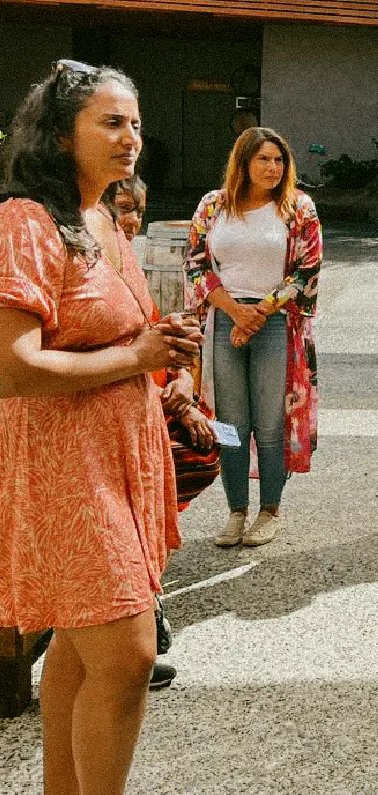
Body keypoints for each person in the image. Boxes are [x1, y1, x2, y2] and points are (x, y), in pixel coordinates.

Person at [0, 59, 202, 795]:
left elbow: (125, 334)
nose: (131, 138)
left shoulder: (103, 220)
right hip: (65, 464)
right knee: (127, 656)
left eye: (136, 124)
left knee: (82, 649)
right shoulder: (24, 221)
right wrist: (136, 356)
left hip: (120, 453)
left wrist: (166, 361)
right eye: (111, 123)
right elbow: (12, 366)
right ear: (61, 135)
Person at [185, 127, 322, 549]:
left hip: (275, 321)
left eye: (279, 160)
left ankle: (269, 511)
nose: (272, 168)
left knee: (270, 422)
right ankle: (236, 511)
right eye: (263, 159)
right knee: (230, 424)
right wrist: (235, 311)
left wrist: (258, 313)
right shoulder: (213, 205)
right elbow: (195, 263)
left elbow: (307, 270)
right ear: (243, 162)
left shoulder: (297, 207)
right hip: (226, 318)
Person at [104, 174, 215, 691]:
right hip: (110, 419)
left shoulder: (127, 265)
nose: (131, 222)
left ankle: (145, 600)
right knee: (133, 510)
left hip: (152, 403)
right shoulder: (87, 267)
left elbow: (161, 343)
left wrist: (184, 386)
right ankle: (137, 625)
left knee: (201, 453)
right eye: (122, 209)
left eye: (137, 212)